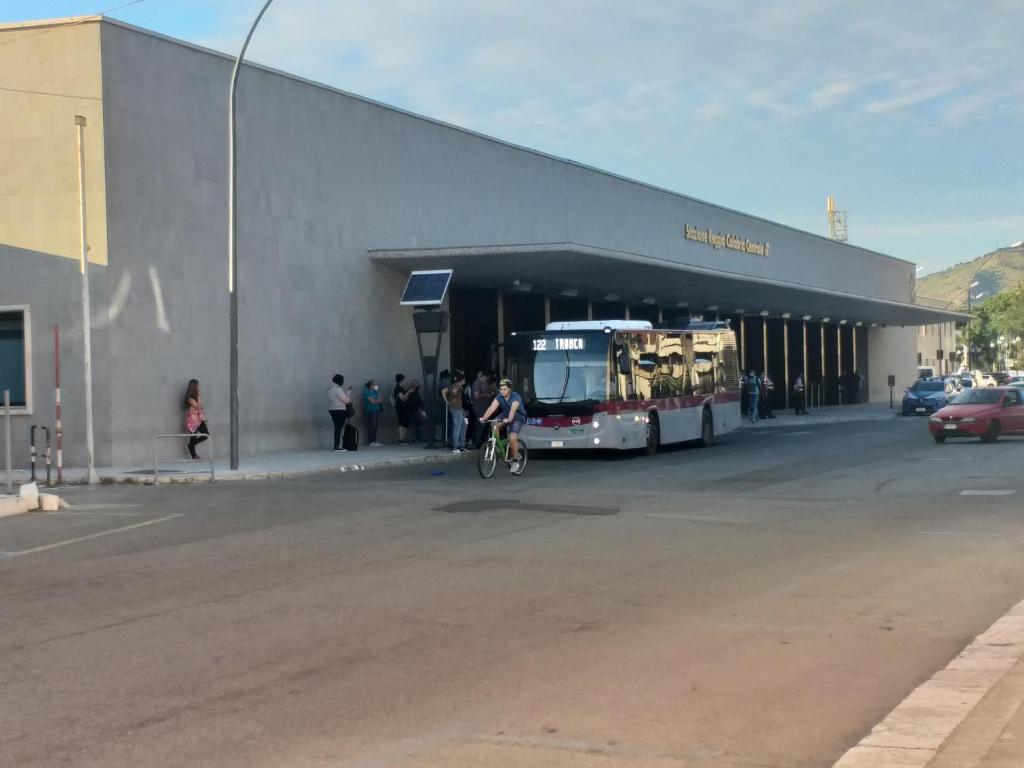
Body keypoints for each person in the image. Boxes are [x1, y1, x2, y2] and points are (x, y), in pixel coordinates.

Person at [479, 378, 527, 473]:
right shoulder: (499, 397)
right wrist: (484, 417)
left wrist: (508, 420)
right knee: (493, 424)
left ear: (509, 389)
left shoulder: (515, 397)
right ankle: (499, 446)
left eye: (505, 389)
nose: (503, 391)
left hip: (518, 417)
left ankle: (515, 459)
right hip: (505, 414)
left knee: (512, 437)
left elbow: (513, 410)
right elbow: (492, 407)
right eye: (501, 389)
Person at [184, 379, 209, 459]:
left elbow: (201, 406)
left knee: (206, 435)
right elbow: (199, 407)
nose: (199, 387)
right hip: (192, 421)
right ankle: (194, 456)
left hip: (199, 419)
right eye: (198, 385)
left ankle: (190, 446)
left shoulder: (196, 397)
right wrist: (198, 396)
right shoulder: (190, 399)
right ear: (194, 387)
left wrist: (198, 395)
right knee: (193, 438)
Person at [444, 370, 467, 453]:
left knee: (463, 426)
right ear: (462, 380)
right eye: (464, 380)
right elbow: (449, 391)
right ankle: (456, 446)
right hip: (456, 408)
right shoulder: (456, 386)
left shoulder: (456, 385)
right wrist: (447, 401)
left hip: (460, 408)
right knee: (457, 427)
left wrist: (447, 400)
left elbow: (444, 391)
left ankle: (462, 445)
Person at [327, 374, 352, 452]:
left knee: (337, 427)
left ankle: (337, 445)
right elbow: (346, 401)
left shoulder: (329, 389)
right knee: (338, 428)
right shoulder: (338, 390)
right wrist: (348, 392)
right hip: (340, 410)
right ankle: (337, 446)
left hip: (332, 410)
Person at [363, 379, 383, 446]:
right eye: (375, 384)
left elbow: (380, 399)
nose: (376, 386)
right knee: (372, 425)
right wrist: (376, 400)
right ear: (371, 385)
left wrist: (376, 399)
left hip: (377, 410)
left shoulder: (375, 392)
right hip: (371, 410)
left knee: (376, 426)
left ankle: (374, 441)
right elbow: (373, 402)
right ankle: (370, 441)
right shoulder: (366, 391)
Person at [393, 373, 411, 444]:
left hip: (403, 406)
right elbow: (402, 398)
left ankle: (403, 438)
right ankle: (401, 439)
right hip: (400, 407)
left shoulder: (400, 387)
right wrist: (409, 392)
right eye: (403, 379)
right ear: (401, 380)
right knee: (401, 422)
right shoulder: (398, 388)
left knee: (405, 422)